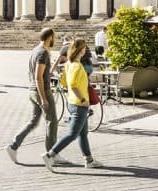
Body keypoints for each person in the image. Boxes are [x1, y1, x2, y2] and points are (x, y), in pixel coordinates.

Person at [42, 38, 102, 171]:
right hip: (79, 104)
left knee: (83, 134)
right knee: (72, 134)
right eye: (84, 48)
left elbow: (64, 83)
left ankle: (89, 160)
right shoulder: (76, 65)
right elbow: (73, 85)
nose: (85, 50)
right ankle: (50, 154)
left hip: (73, 102)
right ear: (81, 51)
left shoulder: (69, 64)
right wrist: (83, 99)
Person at [6, 28, 63, 166]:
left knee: (33, 122)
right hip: (41, 91)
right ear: (50, 37)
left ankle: (13, 146)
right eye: (53, 37)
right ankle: (51, 154)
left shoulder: (35, 50)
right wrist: (43, 98)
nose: (54, 39)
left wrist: (50, 75)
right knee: (52, 122)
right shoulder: (43, 52)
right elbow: (38, 77)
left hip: (32, 90)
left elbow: (37, 74)